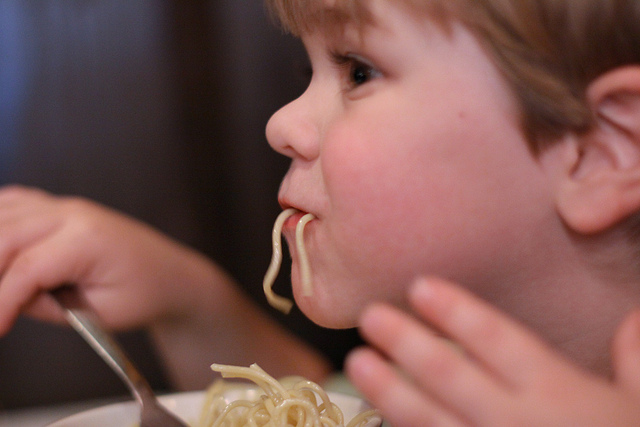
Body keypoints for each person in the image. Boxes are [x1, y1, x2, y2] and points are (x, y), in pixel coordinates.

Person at [0, 0, 640, 425]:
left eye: (359, 71)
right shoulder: (448, 365)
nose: (282, 124)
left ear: (598, 152)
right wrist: (189, 302)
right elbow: (326, 405)